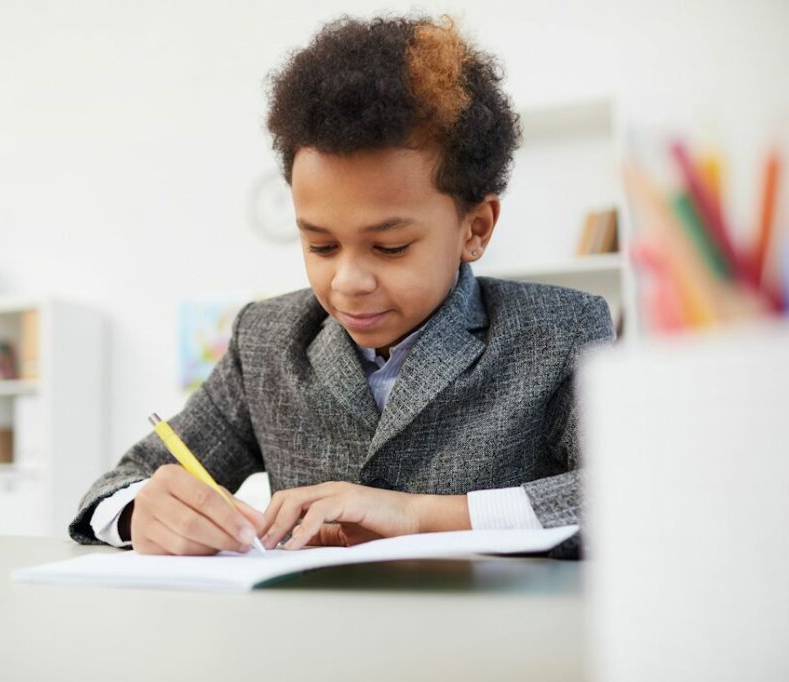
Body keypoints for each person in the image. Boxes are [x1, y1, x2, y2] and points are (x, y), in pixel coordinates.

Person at [68, 14, 614, 558]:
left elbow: (634, 494)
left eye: (390, 247)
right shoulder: (266, 341)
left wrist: (423, 517)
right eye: (321, 246)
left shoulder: (560, 332)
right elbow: (117, 486)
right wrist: (144, 509)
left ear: (475, 229)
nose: (348, 283)